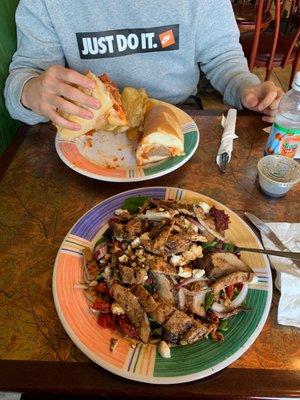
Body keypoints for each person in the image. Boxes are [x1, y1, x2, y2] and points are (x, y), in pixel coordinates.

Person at [5, 0, 284, 133]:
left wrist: (246, 87)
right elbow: (24, 75)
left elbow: (222, 57)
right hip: (90, 126)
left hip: (180, 115)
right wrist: (30, 91)